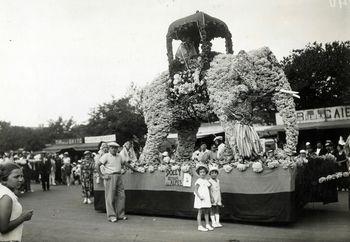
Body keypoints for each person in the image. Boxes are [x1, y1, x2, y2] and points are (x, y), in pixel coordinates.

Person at [97, 142, 138, 222]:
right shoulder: (106, 156)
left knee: (121, 195)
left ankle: (120, 214)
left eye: (115, 148)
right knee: (110, 197)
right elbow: (97, 165)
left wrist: (134, 169)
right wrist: (102, 175)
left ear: (118, 149)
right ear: (109, 148)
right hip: (110, 176)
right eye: (112, 148)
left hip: (118, 176)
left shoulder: (119, 156)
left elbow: (125, 163)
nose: (114, 149)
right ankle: (111, 216)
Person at [0, 163, 33, 241]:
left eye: (21, 176)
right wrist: (23, 217)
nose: (21, 180)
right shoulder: (6, 197)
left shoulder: (4, 191)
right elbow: (3, 228)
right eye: (16, 177)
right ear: (4, 179)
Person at [194, 163, 213, 232]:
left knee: (206, 212)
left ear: (206, 173)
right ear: (198, 173)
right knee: (200, 212)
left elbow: (209, 190)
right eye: (201, 172)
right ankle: (200, 226)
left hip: (206, 199)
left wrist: (211, 197)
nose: (202, 173)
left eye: (204, 172)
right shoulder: (198, 181)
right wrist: (200, 197)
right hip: (200, 199)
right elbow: (195, 190)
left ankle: (207, 224)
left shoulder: (206, 181)